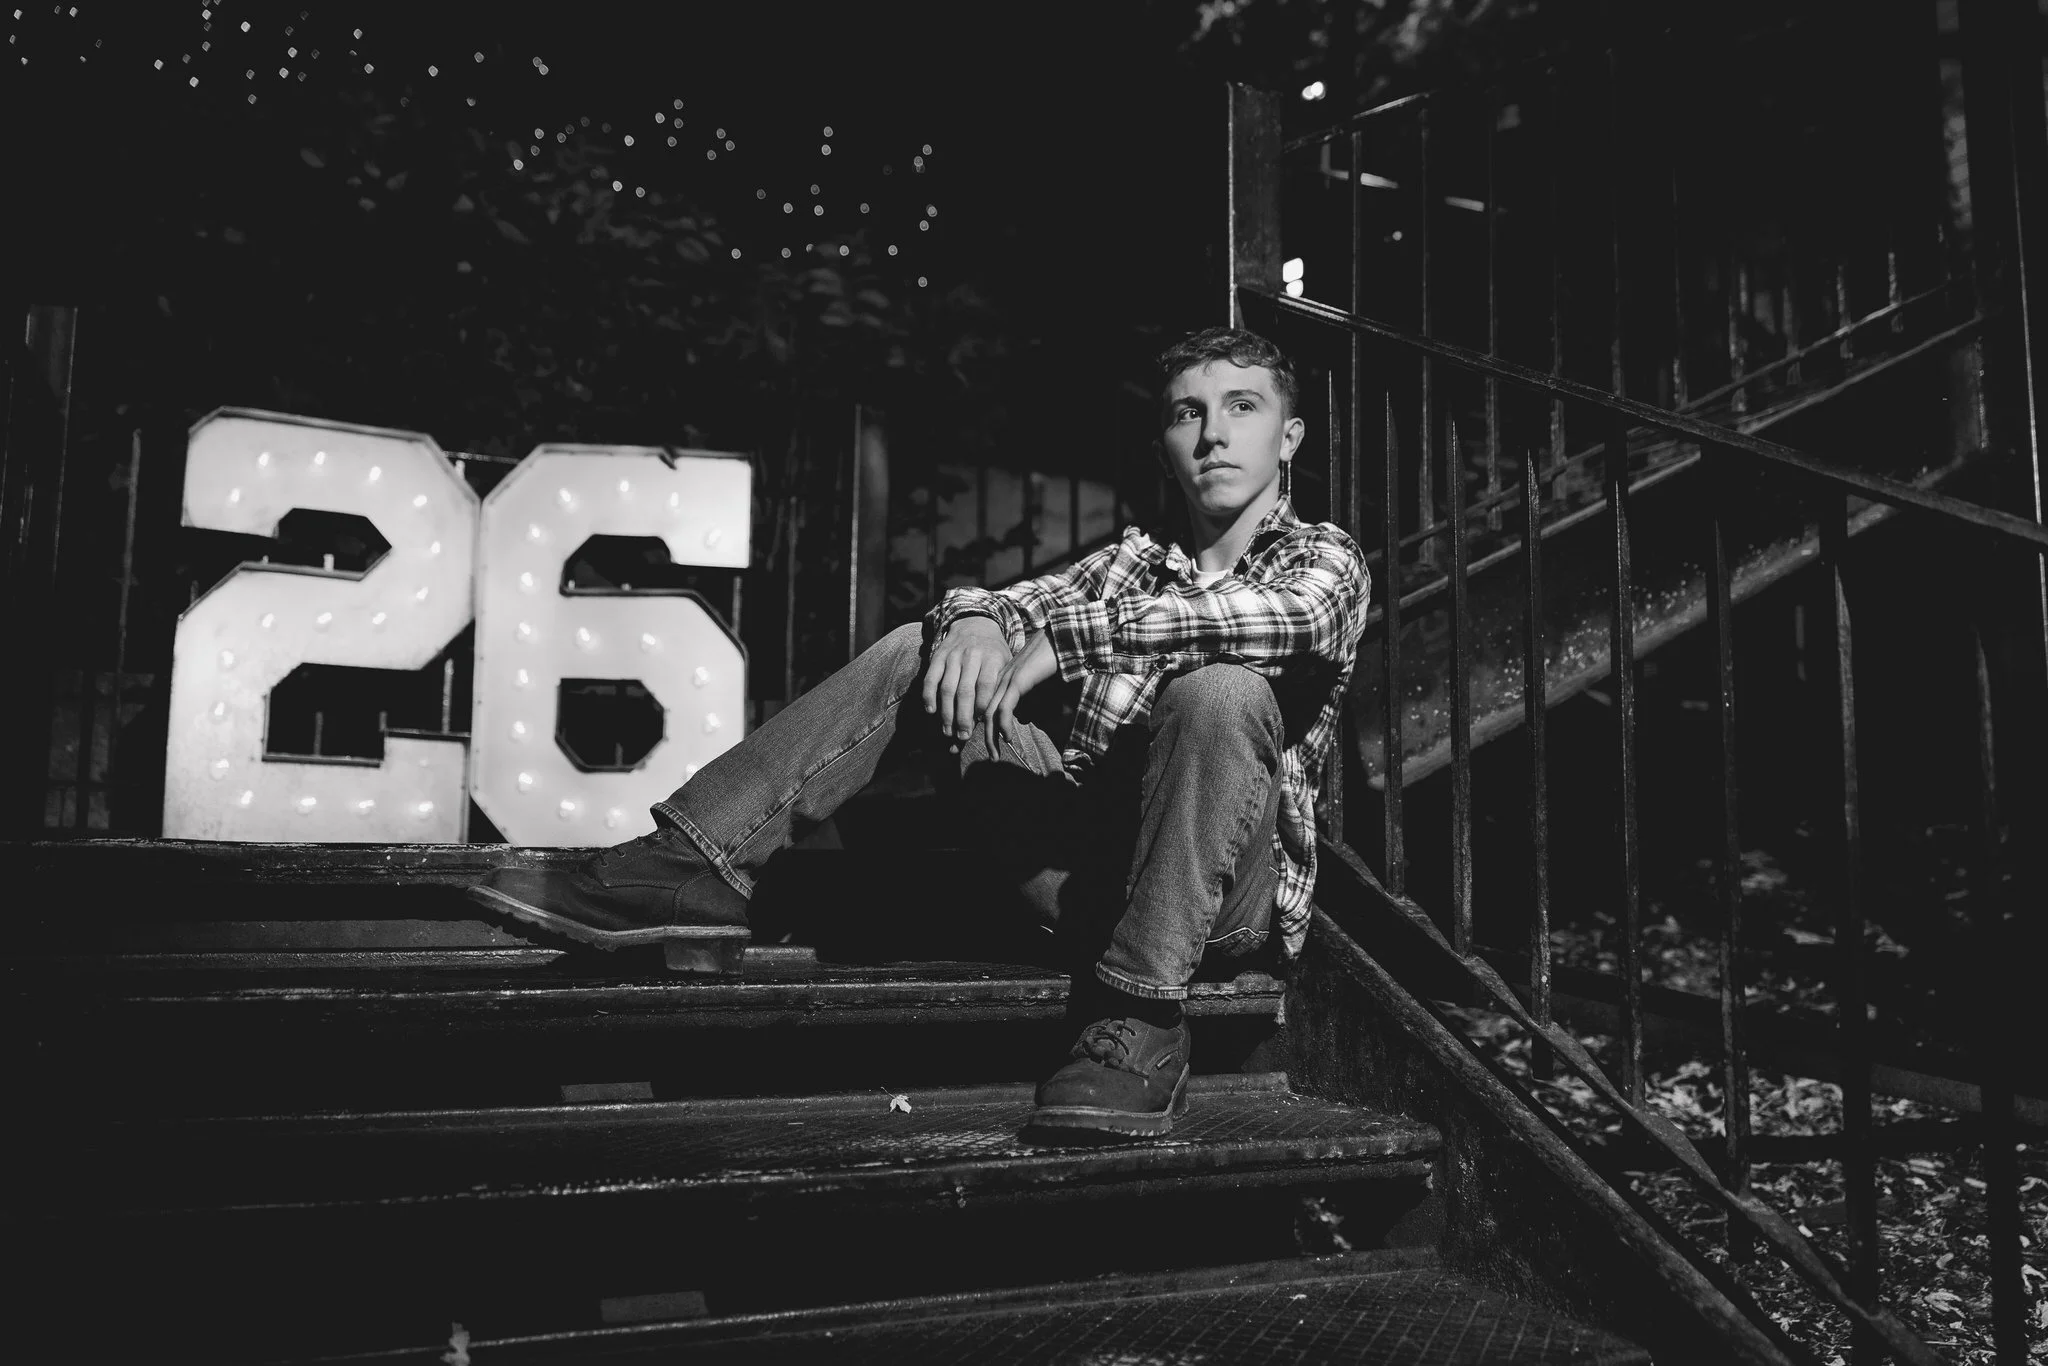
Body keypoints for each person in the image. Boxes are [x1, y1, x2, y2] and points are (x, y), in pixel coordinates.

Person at [470, 326, 1371, 1136]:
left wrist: (1064, 639)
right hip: (1080, 870)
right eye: (1189, 412)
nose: (1213, 432)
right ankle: (693, 865)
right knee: (921, 646)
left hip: (1213, 904)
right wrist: (978, 625)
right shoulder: (1129, 563)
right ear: (1167, 442)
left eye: (1242, 407)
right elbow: (994, 604)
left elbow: (1278, 622)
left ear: (1287, 437)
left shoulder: (1326, 559)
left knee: (1217, 693)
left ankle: (1140, 1020)